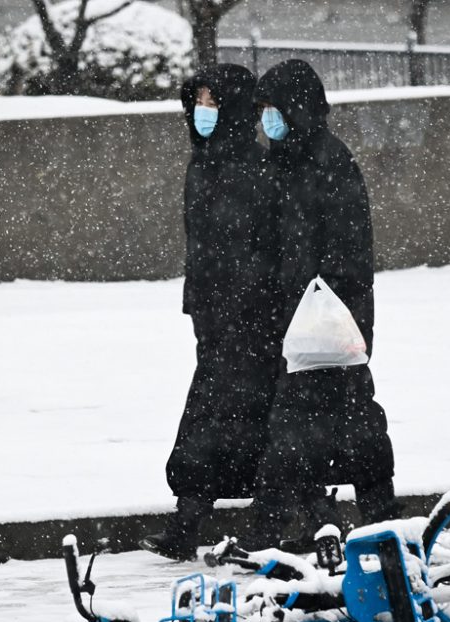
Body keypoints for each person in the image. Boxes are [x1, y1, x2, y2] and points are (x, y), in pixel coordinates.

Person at [245, 59, 399, 549]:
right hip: (297, 319)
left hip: (329, 318)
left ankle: (288, 528)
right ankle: (326, 521)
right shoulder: (284, 161)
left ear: (298, 108)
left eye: (275, 108)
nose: (269, 119)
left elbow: (348, 250)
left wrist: (320, 303)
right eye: (263, 109)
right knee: (313, 423)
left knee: (331, 419)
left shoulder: (331, 162)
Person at [140, 63, 281, 561]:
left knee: (232, 417)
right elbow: (204, 245)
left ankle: (202, 520)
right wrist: (201, 305)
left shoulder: (258, 168)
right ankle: (208, 520)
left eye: (214, 102)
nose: (203, 112)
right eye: (199, 101)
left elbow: (261, 249)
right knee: (225, 417)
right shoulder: (203, 162)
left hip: (252, 321)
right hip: (215, 318)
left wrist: (244, 306)